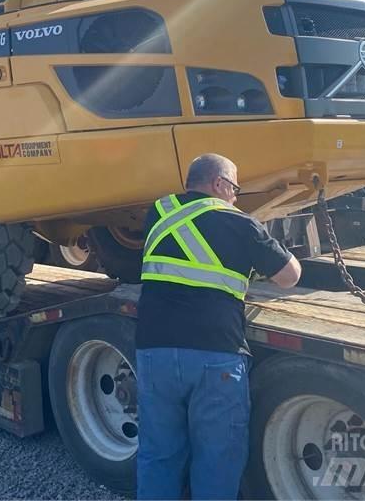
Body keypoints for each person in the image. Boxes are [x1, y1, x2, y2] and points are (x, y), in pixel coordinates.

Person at [135, 153, 301, 500]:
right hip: (215, 355)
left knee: (159, 455)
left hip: (155, 351)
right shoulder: (240, 223)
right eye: (235, 188)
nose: (236, 197)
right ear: (219, 184)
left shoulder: (158, 213)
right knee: (217, 460)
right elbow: (289, 277)